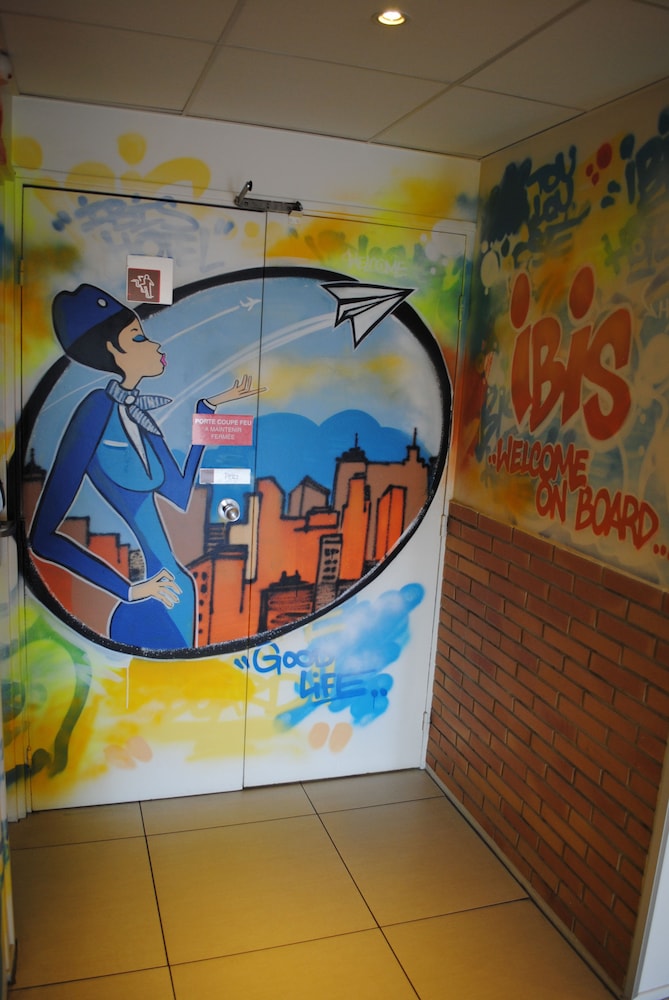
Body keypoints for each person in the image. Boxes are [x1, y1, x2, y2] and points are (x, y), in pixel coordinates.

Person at [30, 283, 259, 651]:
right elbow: (42, 538)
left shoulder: (142, 419)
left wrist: (206, 410)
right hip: (146, 599)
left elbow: (180, 493)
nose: (156, 346)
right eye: (138, 338)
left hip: (178, 589)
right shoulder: (95, 410)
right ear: (113, 350)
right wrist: (129, 590)